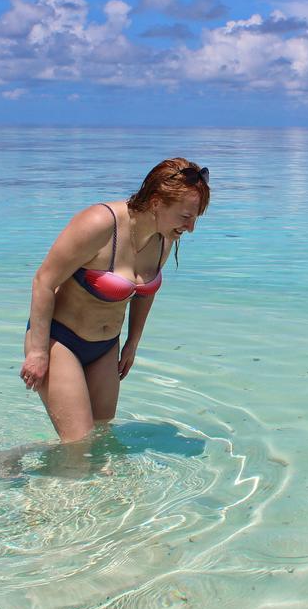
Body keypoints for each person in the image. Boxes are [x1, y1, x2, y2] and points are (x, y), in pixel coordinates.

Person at [20, 158, 209, 442]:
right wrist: (37, 352)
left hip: (106, 348)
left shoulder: (164, 239)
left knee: (101, 439)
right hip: (60, 341)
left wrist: (132, 343)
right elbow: (44, 281)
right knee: (79, 444)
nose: (191, 227)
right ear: (157, 202)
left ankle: (14, 457)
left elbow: (146, 291)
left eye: (195, 218)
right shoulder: (99, 223)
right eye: (185, 217)